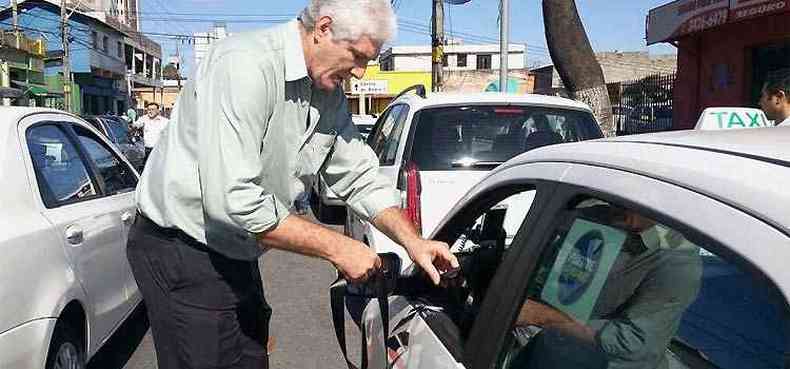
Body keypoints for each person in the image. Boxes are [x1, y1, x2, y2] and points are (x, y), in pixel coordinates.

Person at [126, 1, 459, 369]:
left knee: (250, 359)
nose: (361, 73)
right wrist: (339, 247)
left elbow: (358, 176)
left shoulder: (326, 93)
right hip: (183, 249)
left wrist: (414, 242)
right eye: (358, 56)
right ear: (324, 28)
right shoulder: (243, 66)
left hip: (236, 249)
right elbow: (234, 201)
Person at [513, 205, 702, 369]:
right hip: (548, 350)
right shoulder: (595, 218)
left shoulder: (676, 260)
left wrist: (542, 315)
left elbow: (632, 342)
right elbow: (550, 278)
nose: (616, 206)